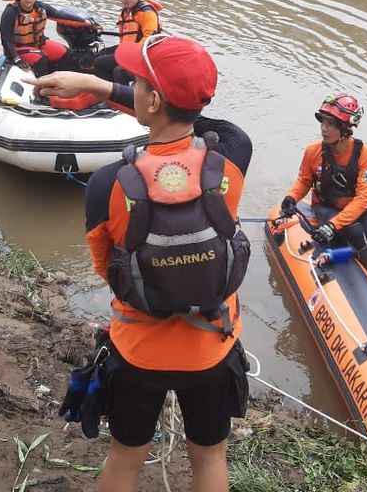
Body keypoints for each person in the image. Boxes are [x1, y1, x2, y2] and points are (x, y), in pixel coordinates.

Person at [30, 34, 252, 492]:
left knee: (126, 457)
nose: (127, 82)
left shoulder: (107, 183)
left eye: (136, 81)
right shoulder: (232, 156)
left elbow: (106, 270)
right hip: (212, 346)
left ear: (150, 100)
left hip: (138, 351)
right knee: (210, 458)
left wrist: (97, 86)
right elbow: (193, 116)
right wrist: (109, 87)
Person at [279, 93, 367, 322]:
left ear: (346, 128)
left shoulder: (364, 155)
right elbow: (304, 181)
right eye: (324, 122)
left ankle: (343, 254)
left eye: (331, 124)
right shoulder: (313, 152)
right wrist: (291, 197)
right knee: (354, 231)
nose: (324, 129)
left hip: (357, 210)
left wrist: (332, 226)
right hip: (326, 207)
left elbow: (362, 199)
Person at [94, 0, 163, 81]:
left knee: (116, 69)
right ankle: (105, 88)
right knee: (101, 54)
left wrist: (129, 54)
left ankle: (115, 93)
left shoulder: (147, 13)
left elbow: (149, 37)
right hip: (128, 48)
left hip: (143, 54)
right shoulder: (126, 12)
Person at [0, 0, 69, 74]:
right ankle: (43, 85)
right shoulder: (11, 12)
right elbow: (5, 40)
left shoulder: (41, 7)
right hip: (16, 48)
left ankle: (61, 80)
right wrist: (16, 59)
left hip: (37, 43)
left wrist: (87, 23)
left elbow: (61, 16)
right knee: (41, 58)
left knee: (64, 52)